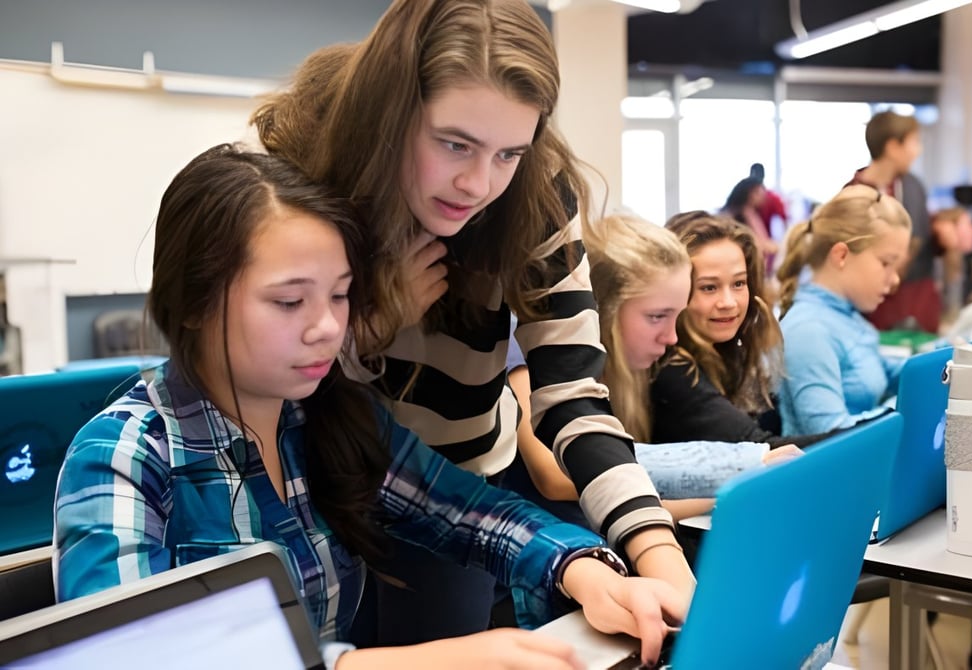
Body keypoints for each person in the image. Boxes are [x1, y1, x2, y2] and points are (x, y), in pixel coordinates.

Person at [52, 144, 685, 669]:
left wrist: (583, 567)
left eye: (341, 295)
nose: (328, 328)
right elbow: (125, 660)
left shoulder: (324, 417)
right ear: (192, 302)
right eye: (289, 301)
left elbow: (470, 513)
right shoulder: (126, 456)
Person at [251, 0, 693, 645]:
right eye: (453, 144)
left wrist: (660, 556)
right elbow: (267, 375)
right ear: (391, 114)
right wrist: (372, 323)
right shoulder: (308, 176)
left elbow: (571, 397)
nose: (477, 183)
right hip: (308, 481)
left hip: (452, 492)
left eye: (509, 152)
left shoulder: (535, 194)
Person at [502, 214, 801, 526]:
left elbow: (633, 497)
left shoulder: (631, 370)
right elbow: (555, 475)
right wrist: (737, 468)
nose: (671, 337)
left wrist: (730, 491)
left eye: (676, 317)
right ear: (604, 307)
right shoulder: (526, 351)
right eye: (657, 316)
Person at [656, 210, 829, 448]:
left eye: (738, 283)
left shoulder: (731, 352)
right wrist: (888, 427)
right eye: (709, 288)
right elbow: (762, 450)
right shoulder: (672, 369)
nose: (729, 302)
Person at [776, 184, 912, 436]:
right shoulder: (809, 330)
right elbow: (829, 434)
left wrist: (947, 360)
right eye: (886, 263)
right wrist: (903, 411)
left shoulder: (848, 317)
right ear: (841, 255)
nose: (894, 280)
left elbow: (886, 371)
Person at [846, 110, 938, 333]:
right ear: (892, 147)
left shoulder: (914, 187)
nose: (918, 151)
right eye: (914, 142)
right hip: (873, 309)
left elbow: (924, 236)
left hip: (916, 300)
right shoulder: (853, 195)